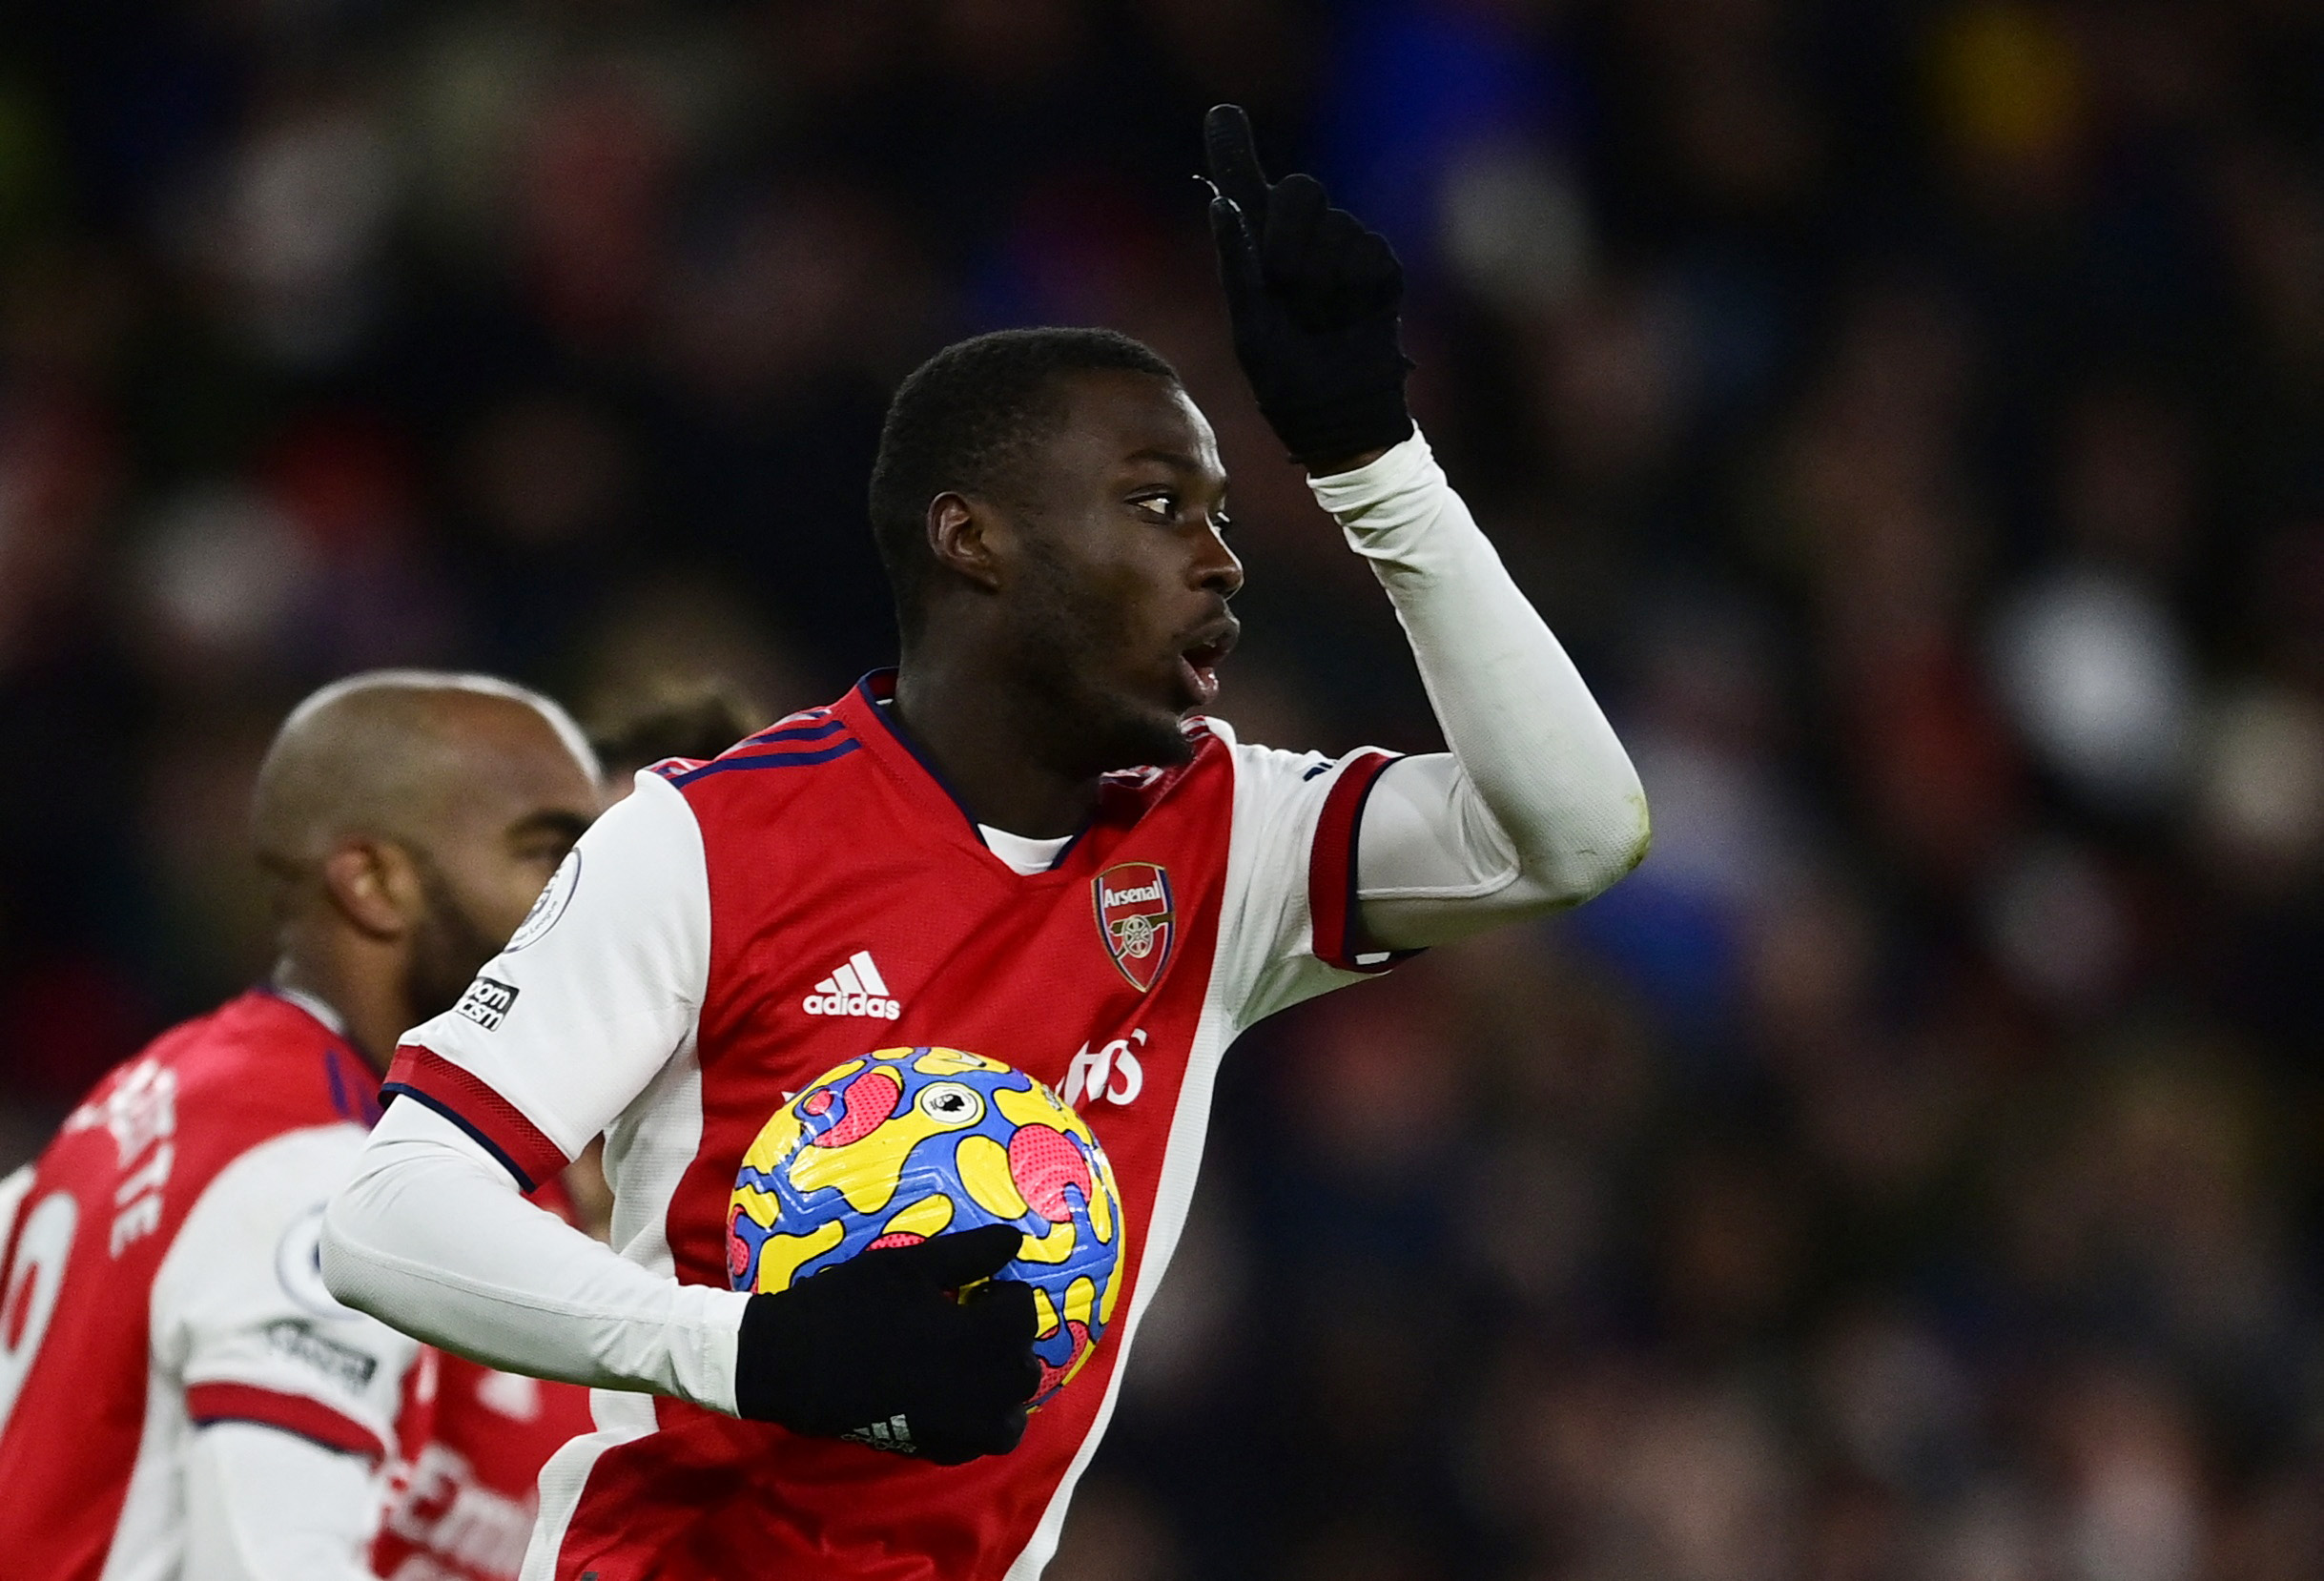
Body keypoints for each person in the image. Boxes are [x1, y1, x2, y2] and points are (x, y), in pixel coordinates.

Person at [319, 106, 1651, 1580]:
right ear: (975, 541)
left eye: (1219, 516)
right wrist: (746, 1350)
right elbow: (386, 1214)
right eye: (1156, 507)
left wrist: (1376, 468)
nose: (1220, 558)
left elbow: (1576, 834)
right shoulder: (708, 843)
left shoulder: (1225, 837)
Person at [0, 670, 601, 1580]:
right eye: (551, 857)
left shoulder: (150, 1093)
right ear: (374, 883)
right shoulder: (326, 1176)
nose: (594, 908)